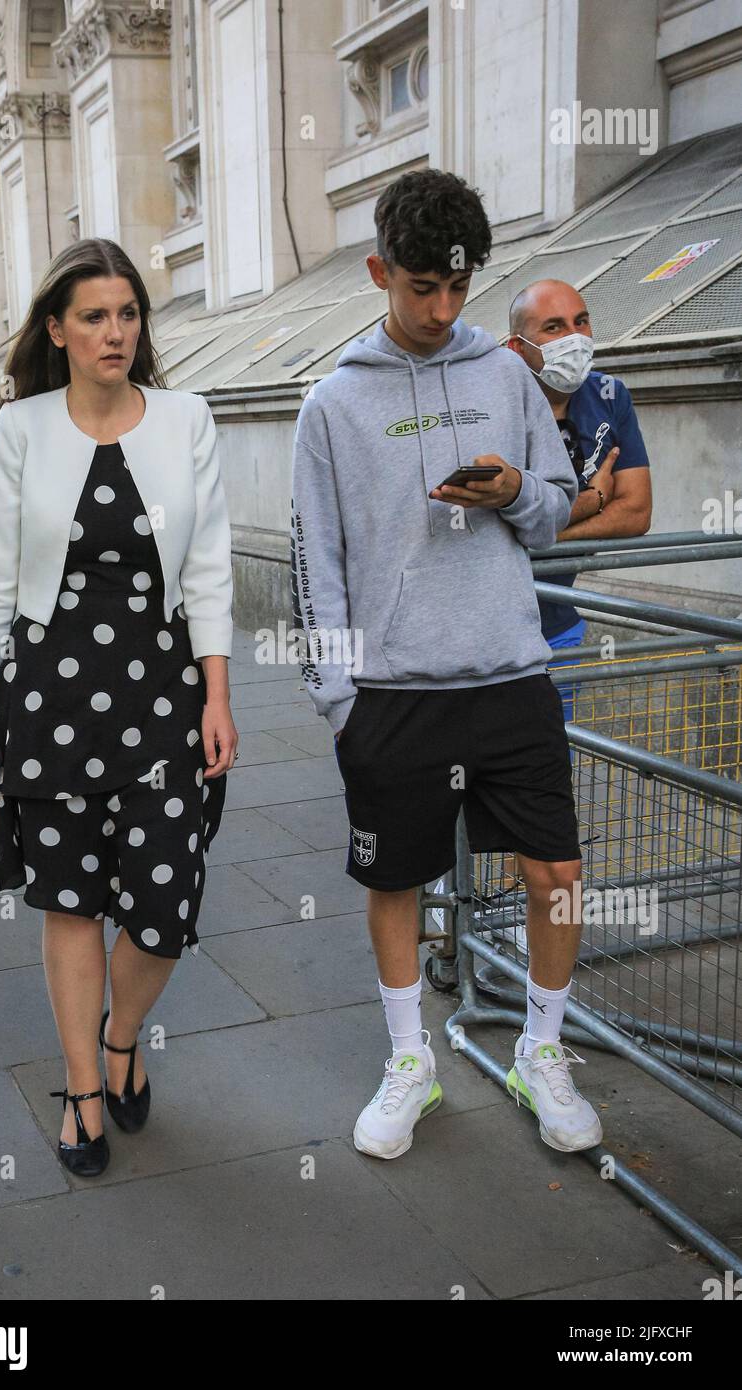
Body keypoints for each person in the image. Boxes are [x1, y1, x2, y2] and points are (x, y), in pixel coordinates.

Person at [290, 168, 603, 1162]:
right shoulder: (330, 404)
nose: (440, 309)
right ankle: (407, 1060)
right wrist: (339, 700)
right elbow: (317, 567)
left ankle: (540, 1051)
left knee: (555, 869)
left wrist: (514, 489)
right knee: (398, 884)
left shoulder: (507, 375)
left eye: (457, 288)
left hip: (508, 676)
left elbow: (553, 512)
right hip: (390, 695)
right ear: (380, 270)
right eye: (420, 286)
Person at [0, 238, 238, 1177]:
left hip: (163, 694)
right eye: (94, 316)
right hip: (46, 692)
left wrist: (219, 694)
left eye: (128, 314)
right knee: (70, 899)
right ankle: (84, 1089)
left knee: (165, 905)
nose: (115, 332)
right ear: (58, 330)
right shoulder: (22, 428)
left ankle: (124, 1036)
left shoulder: (187, 418)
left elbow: (209, 568)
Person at [507, 279, 652, 720]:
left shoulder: (609, 396)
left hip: (560, 627)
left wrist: (549, 528)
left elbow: (637, 512)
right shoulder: (495, 405)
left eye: (581, 321)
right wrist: (591, 501)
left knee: (554, 768)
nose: (574, 337)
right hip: (492, 637)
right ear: (518, 347)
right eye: (553, 327)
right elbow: (491, 524)